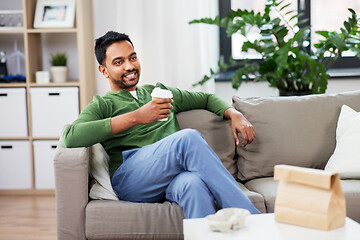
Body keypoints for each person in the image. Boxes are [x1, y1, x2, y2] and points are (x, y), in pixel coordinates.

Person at [63, 31, 260, 218]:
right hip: (131, 179)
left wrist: (235, 114)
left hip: (169, 177)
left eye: (132, 58)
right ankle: (252, 220)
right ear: (104, 71)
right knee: (188, 138)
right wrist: (137, 117)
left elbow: (206, 99)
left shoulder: (159, 92)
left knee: (193, 184)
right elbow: (71, 136)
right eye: (118, 62)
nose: (129, 66)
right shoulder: (103, 104)